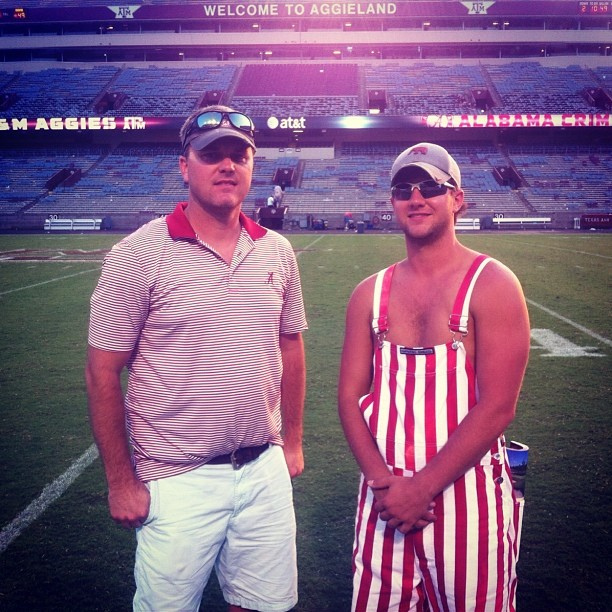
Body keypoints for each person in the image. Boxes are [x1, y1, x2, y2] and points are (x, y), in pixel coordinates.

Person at [85, 104, 307, 612]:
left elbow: (290, 343)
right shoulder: (138, 254)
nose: (227, 165)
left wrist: (291, 442)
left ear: (253, 165)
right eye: (212, 155)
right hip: (176, 478)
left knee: (263, 605)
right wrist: (121, 482)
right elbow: (102, 371)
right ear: (185, 166)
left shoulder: (276, 250)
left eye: (239, 155)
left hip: (263, 470)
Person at [338, 143, 530, 611]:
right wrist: (385, 485)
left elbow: (498, 406)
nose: (416, 198)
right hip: (384, 503)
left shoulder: (493, 282)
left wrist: (419, 489)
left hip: (470, 505)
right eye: (404, 189)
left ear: (457, 198)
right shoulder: (370, 292)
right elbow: (348, 397)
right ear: (392, 203)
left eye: (430, 187)